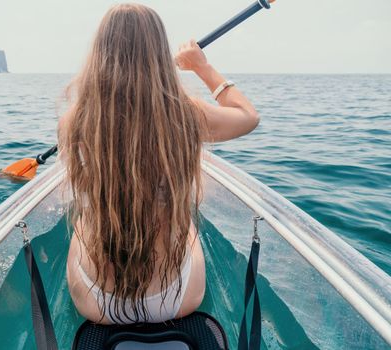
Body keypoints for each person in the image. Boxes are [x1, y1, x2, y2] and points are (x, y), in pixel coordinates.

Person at [58, 3, 259, 325]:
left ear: (100, 52)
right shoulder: (185, 114)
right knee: (184, 218)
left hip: (97, 306)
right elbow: (248, 117)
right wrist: (201, 67)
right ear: (158, 54)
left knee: (85, 219)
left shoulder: (76, 120)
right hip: (177, 298)